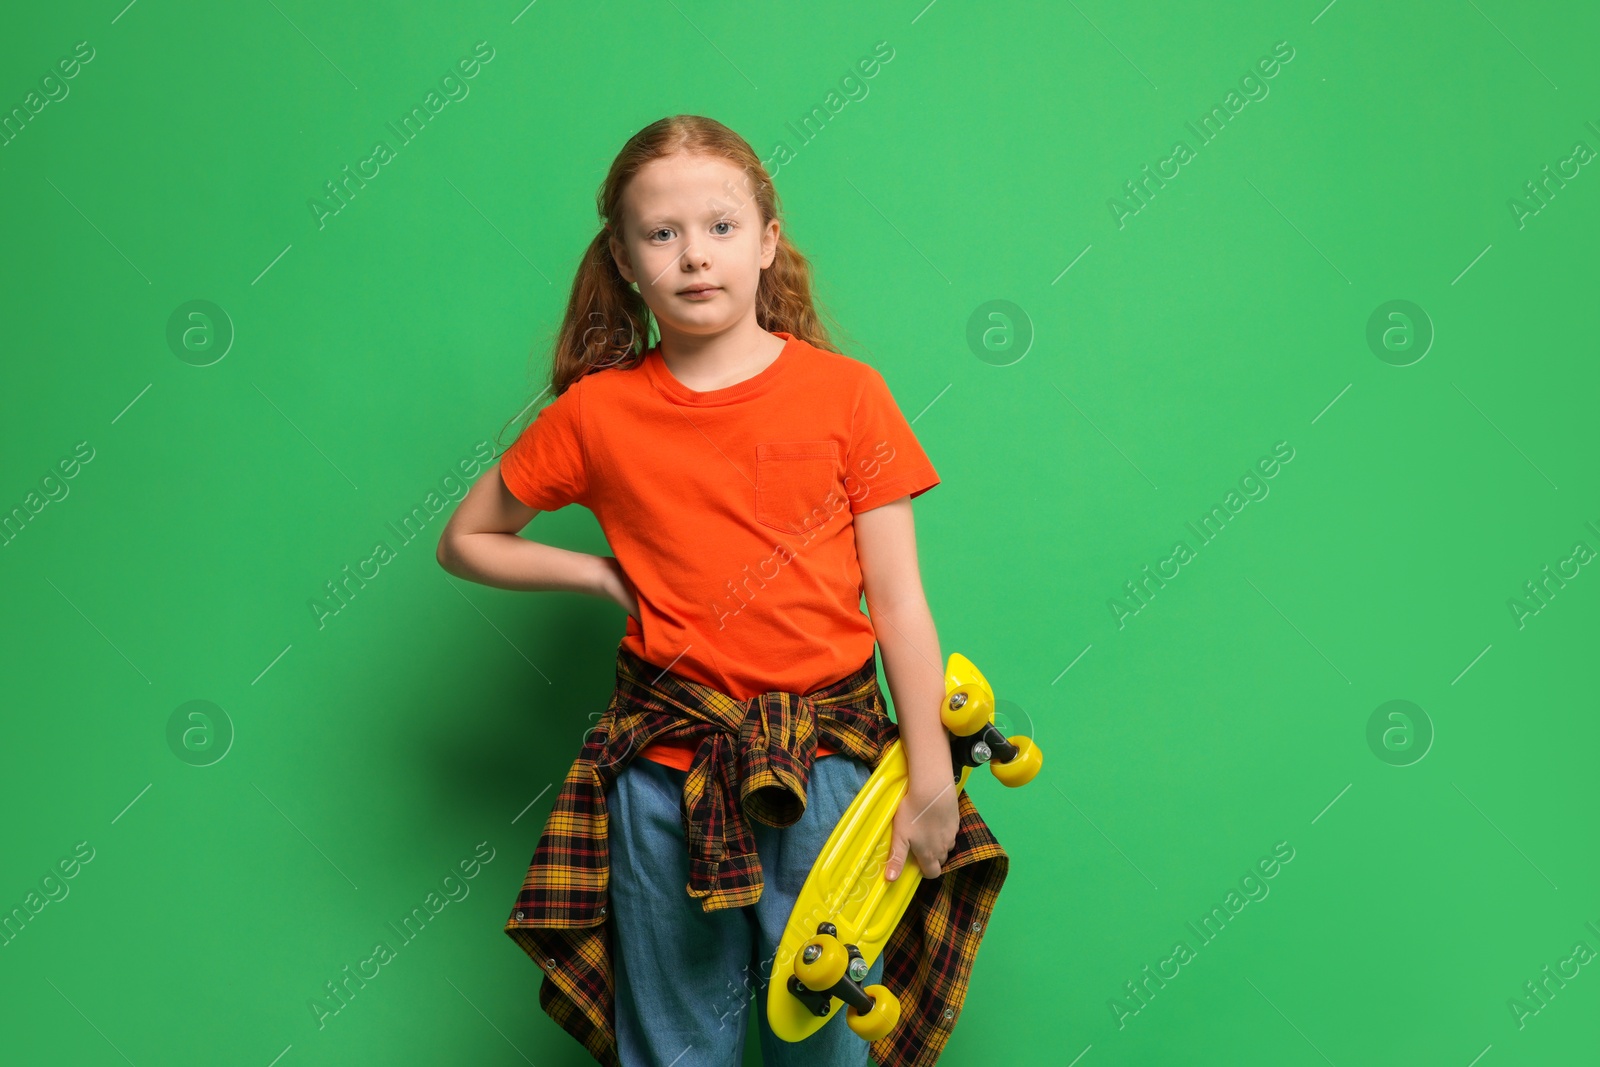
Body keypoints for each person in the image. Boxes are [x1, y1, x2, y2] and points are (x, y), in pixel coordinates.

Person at [437, 115, 1007, 1067]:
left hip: (832, 774)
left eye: (721, 227)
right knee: (673, 1046)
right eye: (661, 234)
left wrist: (933, 777)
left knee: (820, 1038)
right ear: (623, 259)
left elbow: (899, 603)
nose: (694, 256)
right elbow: (466, 541)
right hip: (663, 775)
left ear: (769, 239)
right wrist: (598, 572)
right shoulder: (595, 414)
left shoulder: (848, 396)